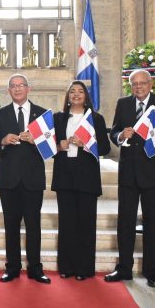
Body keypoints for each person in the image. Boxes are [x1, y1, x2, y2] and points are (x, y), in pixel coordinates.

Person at [106, 68, 155, 287]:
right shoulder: (123, 103)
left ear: (150, 84)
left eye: (142, 83)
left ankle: (152, 272)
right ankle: (124, 269)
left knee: (153, 224)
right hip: (128, 174)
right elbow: (114, 131)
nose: (138, 87)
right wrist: (120, 135)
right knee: (125, 223)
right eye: (134, 84)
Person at [0, 73, 51, 284]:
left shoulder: (42, 115)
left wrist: (37, 141)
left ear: (28, 88)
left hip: (33, 179)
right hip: (8, 179)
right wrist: (3, 141)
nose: (17, 89)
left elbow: (51, 148)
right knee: (11, 226)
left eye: (21, 85)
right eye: (13, 86)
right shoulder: (0, 114)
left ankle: (35, 269)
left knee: (34, 225)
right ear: (9, 91)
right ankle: (12, 268)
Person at [51, 80, 111, 280]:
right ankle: (66, 267)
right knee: (67, 224)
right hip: (64, 176)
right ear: (68, 96)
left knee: (86, 225)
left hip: (87, 177)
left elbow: (105, 148)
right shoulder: (57, 118)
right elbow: (48, 147)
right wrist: (59, 146)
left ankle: (84, 269)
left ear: (86, 96)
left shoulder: (95, 118)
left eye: (80, 91)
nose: (76, 94)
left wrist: (86, 144)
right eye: (72, 91)